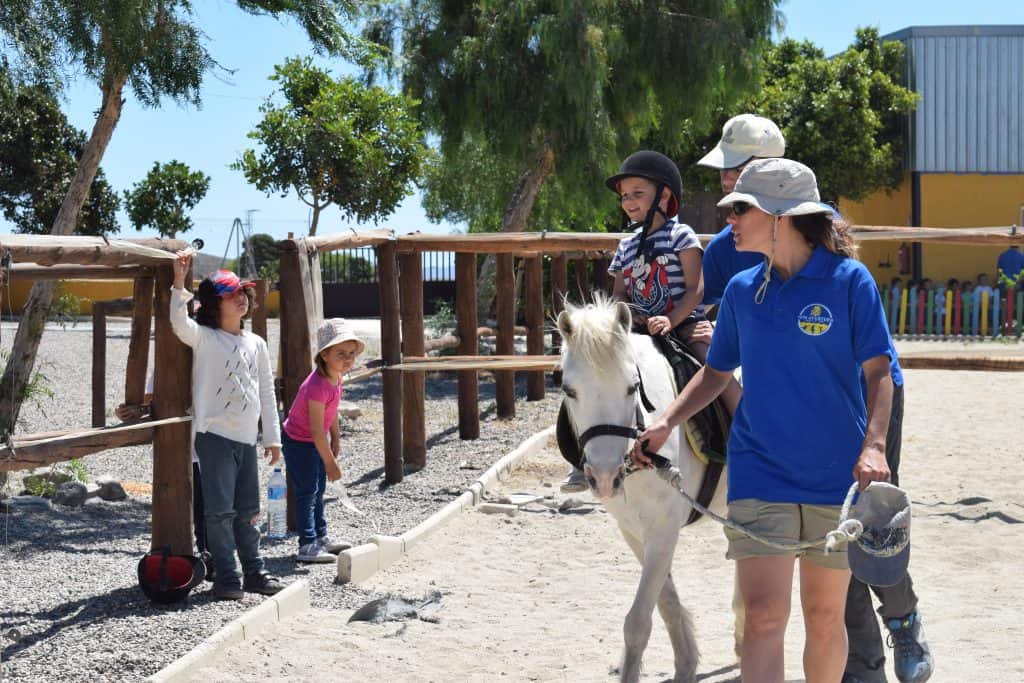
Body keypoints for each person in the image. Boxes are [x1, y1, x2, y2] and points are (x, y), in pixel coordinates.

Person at [636, 158, 897, 683]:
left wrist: (874, 445)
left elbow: (879, 371)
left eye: (741, 208)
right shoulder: (740, 291)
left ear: (781, 216)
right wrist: (666, 420)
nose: (728, 216)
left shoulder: (850, 282)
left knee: (825, 617)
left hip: (836, 475)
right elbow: (715, 373)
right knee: (761, 617)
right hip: (760, 471)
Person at [695, 115, 932, 683]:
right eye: (725, 175)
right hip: (771, 432)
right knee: (770, 609)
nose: (725, 187)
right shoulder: (730, 248)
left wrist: (873, 444)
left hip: (854, 404)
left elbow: (879, 371)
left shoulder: (841, 271)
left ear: (764, 179)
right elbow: (718, 339)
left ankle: (898, 627)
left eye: (733, 172)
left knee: (863, 543)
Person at [561, 150, 706, 493]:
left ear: (664, 195)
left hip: (683, 325)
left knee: (711, 369)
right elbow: (618, 296)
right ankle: (577, 459)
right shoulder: (625, 247)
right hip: (635, 330)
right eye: (625, 196)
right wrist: (632, 316)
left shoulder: (681, 236)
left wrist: (670, 320)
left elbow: (696, 290)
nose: (628, 202)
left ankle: (736, 442)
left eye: (637, 193)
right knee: (580, 382)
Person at [170, 256, 285, 600]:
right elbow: (178, 321)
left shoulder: (257, 343)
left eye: (243, 292)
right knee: (219, 512)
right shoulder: (204, 337)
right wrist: (179, 284)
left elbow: (266, 390)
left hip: (247, 439)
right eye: (231, 293)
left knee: (249, 511)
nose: (241, 298)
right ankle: (227, 576)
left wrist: (273, 438)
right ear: (212, 303)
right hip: (213, 437)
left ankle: (255, 571)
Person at [281, 319, 363, 563]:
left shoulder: (336, 377)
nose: (348, 359)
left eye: (351, 353)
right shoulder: (317, 385)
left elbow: (332, 411)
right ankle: (307, 544)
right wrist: (330, 462)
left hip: (314, 441)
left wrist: (336, 436)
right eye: (340, 353)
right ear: (324, 355)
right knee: (307, 491)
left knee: (318, 490)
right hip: (299, 441)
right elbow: (316, 431)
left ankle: (320, 535)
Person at [116, 374, 212, 581]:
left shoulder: (210, 360)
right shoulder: (164, 370)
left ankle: (209, 559)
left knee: (208, 510)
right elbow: (148, 404)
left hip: (208, 450)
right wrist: (130, 411)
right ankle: (187, 563)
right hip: (177, 452)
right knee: (191, 509)